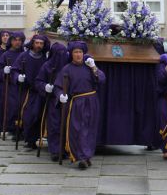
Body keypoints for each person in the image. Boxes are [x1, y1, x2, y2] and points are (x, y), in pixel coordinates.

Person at [55, 41, 105, 169]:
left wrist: (94, 67)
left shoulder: (89, 67)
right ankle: (81, 157)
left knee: (90, 129)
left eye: (80, 52)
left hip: (92, 101)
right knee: (78, 130)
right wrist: (61, 95)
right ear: (71, 54)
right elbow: (59, 86)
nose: (78, 55)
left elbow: (102, 79)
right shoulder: (66, 69)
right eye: (76, 52)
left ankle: (87, 156)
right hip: (77, 102)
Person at [13, 34, 50, 149]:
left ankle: (35, 138)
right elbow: (15, 70)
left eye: (41, 43)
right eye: (37, 43)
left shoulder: (45, 58)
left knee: (39, 115)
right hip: (27, 91)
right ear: (32, 43)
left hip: (41, 91)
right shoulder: (23, 56)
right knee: (29, 115)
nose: (39, 45)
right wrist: (18, 76)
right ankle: (28, 138)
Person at [35, 43, 69, 162]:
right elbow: (38, 81)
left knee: (67, 125)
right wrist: (45, 86)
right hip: (53, 100)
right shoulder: (47, 66)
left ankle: (67, 148)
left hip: (67, 99)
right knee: (54, 125)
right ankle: (55, 150)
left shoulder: (69, 65)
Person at [0, 32, 25, 140]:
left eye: (19, 40)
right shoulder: (6, 55)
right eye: (15, 40)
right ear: (11, 41)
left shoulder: (25, 54)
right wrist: (4, 71)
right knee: (12, 107)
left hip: (22, 86)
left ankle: (21, 129)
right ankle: (12, 129)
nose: (17, 42)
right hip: (10, 86)